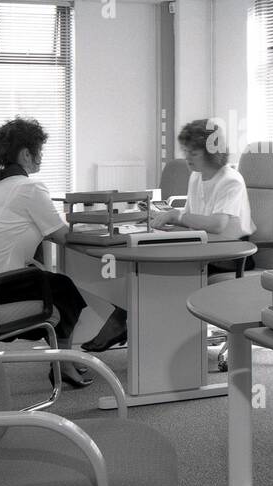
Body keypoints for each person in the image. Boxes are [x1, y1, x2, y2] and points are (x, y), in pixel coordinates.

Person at [81, 118, 254, 353]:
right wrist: (166, 219)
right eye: (186, 151)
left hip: (230, 253)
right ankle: (132, 326)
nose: (187, 157)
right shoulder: (196, 176)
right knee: (141, 266)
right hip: (203, 247)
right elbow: (193, 217)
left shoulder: (230, 180)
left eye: (193, 151)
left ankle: (131, 328)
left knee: (155, 274)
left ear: (211, 151)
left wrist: (176, 217)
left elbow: (217, 224)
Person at [0, 117, 92, 387]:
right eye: (39, 151)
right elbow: (62, 235)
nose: (41, 158)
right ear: (25, 153)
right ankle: (63, 365)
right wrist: (101, 229)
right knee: (64, 288)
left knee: (52, 281)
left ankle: (64, 360)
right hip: (0, 286)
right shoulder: (28, 187)